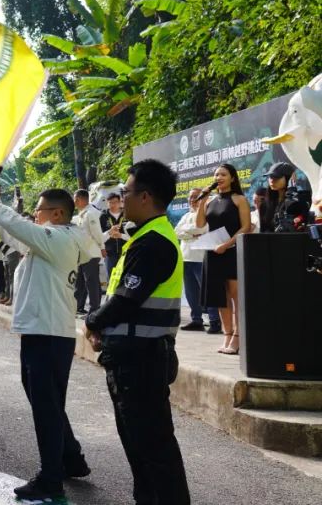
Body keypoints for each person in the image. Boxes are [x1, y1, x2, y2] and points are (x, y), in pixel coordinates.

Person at [84, 159, 191, 505]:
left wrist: (93, 321)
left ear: (145, 197)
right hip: (134, 355)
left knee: (153, 448)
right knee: (140, 446)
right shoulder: (144, 237)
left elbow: (127, 299)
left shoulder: (153, 243)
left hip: (142, 360)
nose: (121, 199)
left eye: (125, 192)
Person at [0, 181, 89, 502]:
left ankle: (50, 478)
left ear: (57, 213)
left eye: (38, 211)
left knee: (46, 406)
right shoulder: (46, 241)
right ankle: (71, 458)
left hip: (49, 335)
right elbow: (14, 234)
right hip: (42, 332)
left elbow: (19, 226)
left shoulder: (59, 237)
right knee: (47, 401)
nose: (34, 215)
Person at [196, 163, 251, 354]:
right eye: (216, 174)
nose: (219, 177)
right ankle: (227, 335)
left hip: (232, 250)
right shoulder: (210, 201)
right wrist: (202, 201)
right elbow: (200, 224)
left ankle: (238, 336)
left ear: (232, 178)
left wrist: (226, 244)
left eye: (223, 174)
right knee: (221, 298)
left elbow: (246, 227)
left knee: (236, 295)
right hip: (213, 252)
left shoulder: (239, 199)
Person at [175, 188, 221, 333]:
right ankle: (196, 320)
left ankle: (215, 321)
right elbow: (177, 231)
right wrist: (191, 233)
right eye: (190, 197)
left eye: (196, 197)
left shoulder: (208, 214)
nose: (192, 200)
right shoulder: (186, 215)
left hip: (201, 258)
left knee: (207, 292)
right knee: (191, 293)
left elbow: (202, 228)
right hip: (186, 257)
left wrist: (188, 232)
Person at [72, 189, 104, 316]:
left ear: (80, 199)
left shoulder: (91, 213)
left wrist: (102, 247)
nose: (74, 201)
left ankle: (94, 309)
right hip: (82, 253)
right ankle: (78, 307)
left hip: (91, 253)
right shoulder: (82, 214)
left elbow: (97, 233)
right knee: (80, 281)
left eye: (75, 199)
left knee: (91, 282)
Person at [100, 192, 128, 279]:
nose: (113, 204)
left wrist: (121, 235)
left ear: (120, 202)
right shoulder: (103, 216)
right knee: (111, 278)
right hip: (110, 253)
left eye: (115, 202)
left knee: (125, 278)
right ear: (107, 203)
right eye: (110, 202)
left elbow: (133, 235)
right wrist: (109, 232)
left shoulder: (127, 214)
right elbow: (99, 236)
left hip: (126, 252)